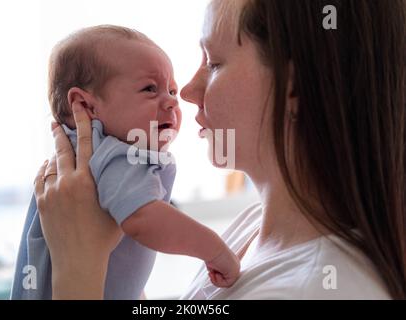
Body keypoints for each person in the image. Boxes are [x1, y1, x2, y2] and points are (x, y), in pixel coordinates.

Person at [32, 0, 406, 299]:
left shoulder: (314, 288)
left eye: (213, 63)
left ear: (295, 87)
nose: (188, 94)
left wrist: (77, 269)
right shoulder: (252, 229)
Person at [11, 25, 240, 300]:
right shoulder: (116, 153)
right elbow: (143, 219)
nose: (171, 102)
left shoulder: (86, 158)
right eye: (149, 89)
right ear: (86, 106)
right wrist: (214, 249)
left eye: (171, 90)